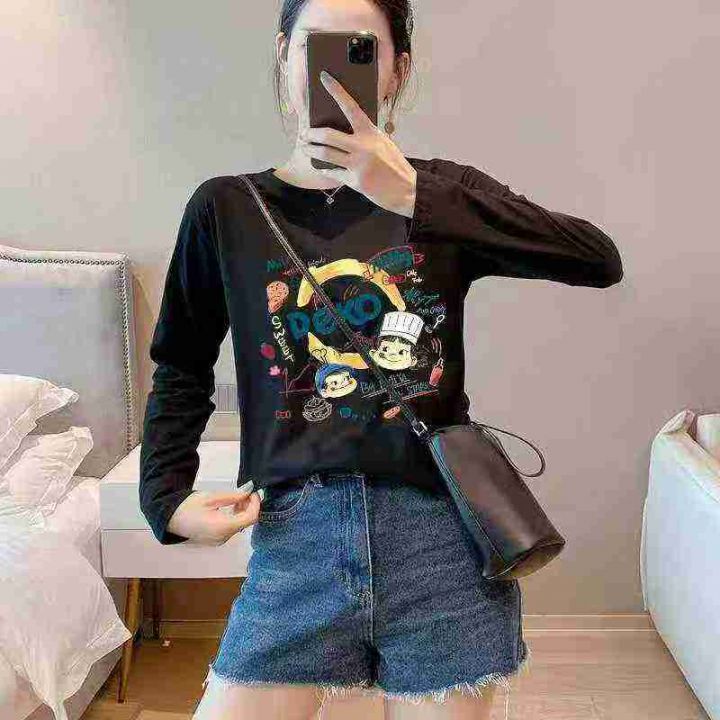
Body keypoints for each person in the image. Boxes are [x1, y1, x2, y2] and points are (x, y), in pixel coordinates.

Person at [139, 1, 624, 718]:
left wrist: (417, 196)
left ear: (398, 70)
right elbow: (181, 365)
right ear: (284, 57)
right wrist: (166, 499)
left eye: (360, 49)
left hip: (440, 542)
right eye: (314, 46)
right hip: (295, 539)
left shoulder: (443, 194)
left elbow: (596, 259)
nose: (332, 71)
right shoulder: (227, 208)